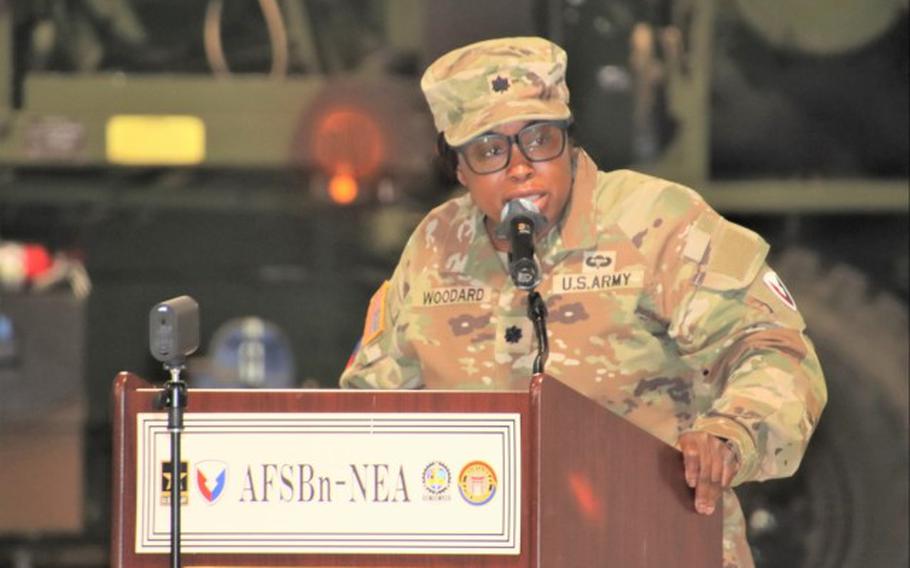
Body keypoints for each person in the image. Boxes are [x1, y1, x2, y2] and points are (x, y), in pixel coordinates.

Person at [339, 36, 827, 568]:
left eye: (539, 138)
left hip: (654, 544)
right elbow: (370, 407)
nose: (521, 166)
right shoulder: (434, 244)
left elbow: (774, 351)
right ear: (457, 168)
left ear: (569, 141)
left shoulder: (655, 221)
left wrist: (730, 435)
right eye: (489, 150)